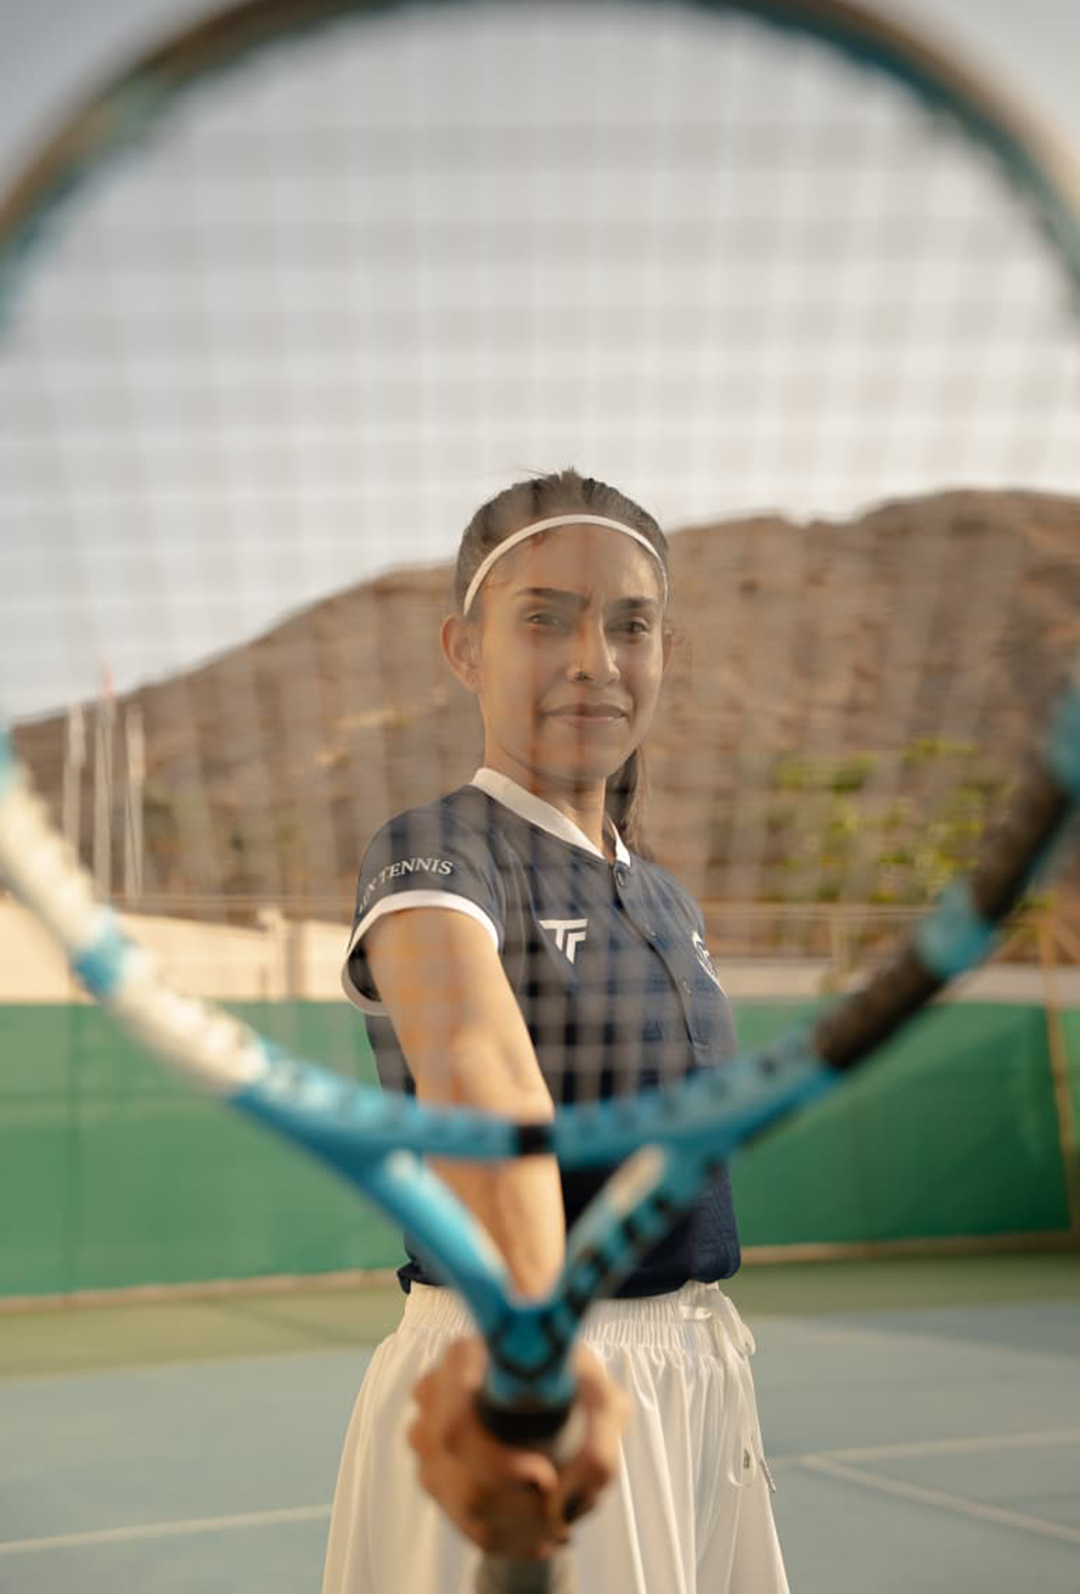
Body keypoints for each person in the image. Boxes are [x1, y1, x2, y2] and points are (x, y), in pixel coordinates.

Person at [323, 470, 788, 1593]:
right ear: (464, 649)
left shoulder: (668, 899)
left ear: (665, 648)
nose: (595, 658)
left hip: (696, 1371)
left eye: (630, 624)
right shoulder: (436, 850)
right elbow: (486, 1084)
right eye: (544, 619)